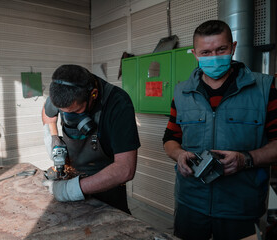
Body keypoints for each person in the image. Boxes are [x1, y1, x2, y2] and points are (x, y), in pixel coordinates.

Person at [163, 20, 277, 239]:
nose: (213, 57)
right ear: (195, 54)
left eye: (221, 49)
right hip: (190, 204)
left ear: (233, 48)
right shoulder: (182, 92)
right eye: (205, 52)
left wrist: (246, 159)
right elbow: (170, 138)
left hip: (241, 207)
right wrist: (179, 155)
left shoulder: (263, 89)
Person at [42, 64, 140, 214]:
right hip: (71, 174)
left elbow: (125, 169)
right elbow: (47, 114)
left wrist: (68, 190)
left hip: (106, 188)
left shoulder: (118, 103)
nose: (69, 118)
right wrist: (53, 137)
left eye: (74, 111)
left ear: (93, 94)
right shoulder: (61, 91)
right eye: (64, 112)